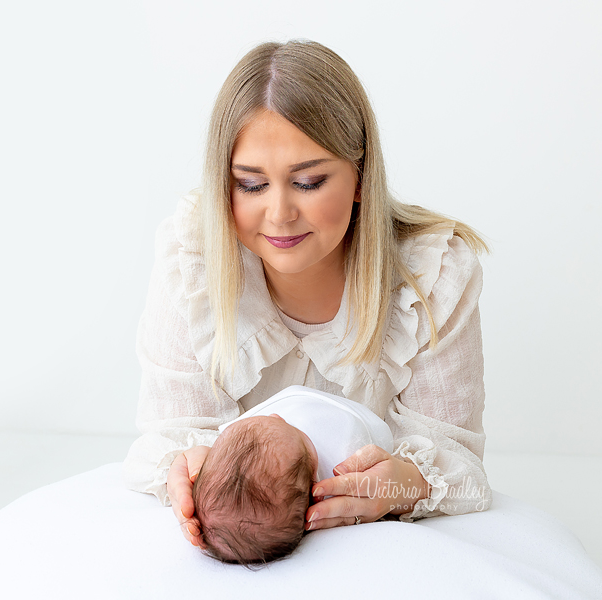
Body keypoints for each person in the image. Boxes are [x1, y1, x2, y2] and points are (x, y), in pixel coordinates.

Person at [123, 38, 493, 552]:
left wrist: (402, 484)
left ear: (361, 177)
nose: (279, 214)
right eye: (251, 185)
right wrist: (187, 470)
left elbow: (459, 464)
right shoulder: (194, 263)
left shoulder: (433, 276)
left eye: (309, 181)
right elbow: (171, 434)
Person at [192, 385, 395, 565]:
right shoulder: (347, 457)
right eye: (292, 429)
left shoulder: (233, 441)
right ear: (317, 493)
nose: (276, 415)